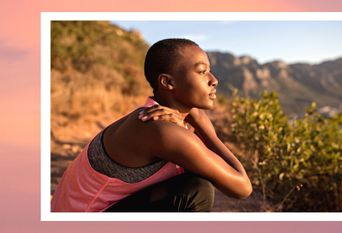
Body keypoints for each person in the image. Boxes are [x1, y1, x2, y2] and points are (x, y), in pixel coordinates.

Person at [51, 38, 252, 212]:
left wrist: (196, 120)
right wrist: (207, 131)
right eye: (201, 72)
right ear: (168, 82)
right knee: (196, 191)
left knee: (195, 179)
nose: (214, 80)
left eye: (210, 71)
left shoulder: (166, 119)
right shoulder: (160, 128)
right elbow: (242, 188)